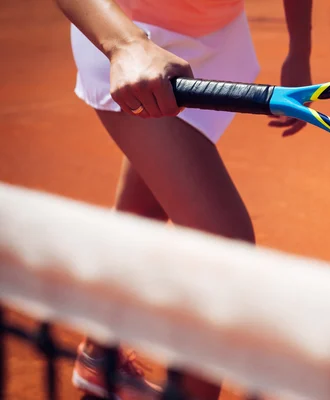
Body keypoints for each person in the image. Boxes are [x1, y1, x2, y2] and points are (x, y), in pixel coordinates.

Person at [52, 0, 313, 398]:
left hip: (214, 46)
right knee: (225, 250)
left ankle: (99, 359)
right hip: (125, 36)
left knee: (145, 210)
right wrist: (125, 45)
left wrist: (299, 49)